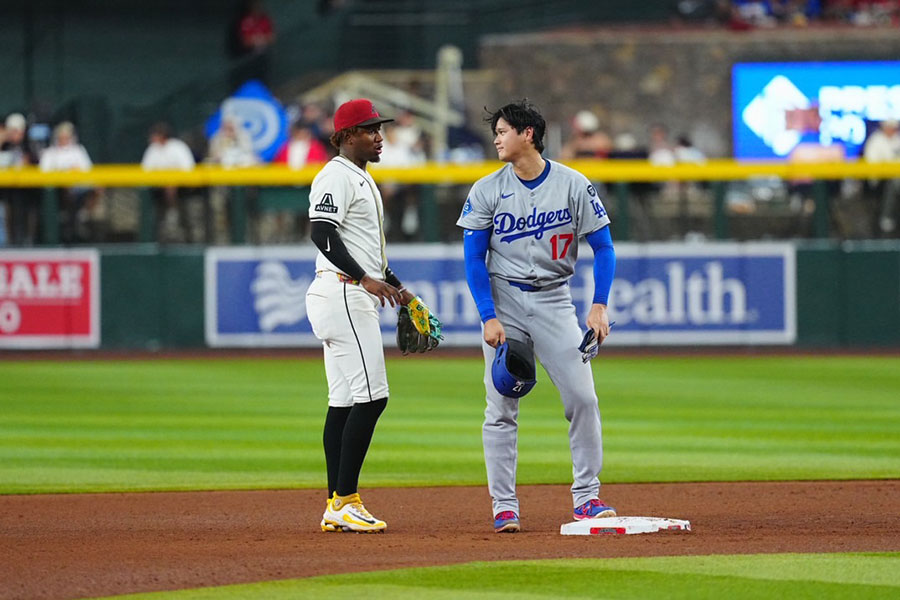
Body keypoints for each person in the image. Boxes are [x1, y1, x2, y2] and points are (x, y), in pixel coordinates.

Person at [456, 100, 617, 533]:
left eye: (503, 131)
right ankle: (504, 506)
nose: (496, 138)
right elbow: (474, 259)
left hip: (554, 300)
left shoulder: (572, 184)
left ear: (528, 134)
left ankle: (587, 498)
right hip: (505, 299)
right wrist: (489, 316)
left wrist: (599, 304)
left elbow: (604, 247)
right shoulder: (487, 189)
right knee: (501, 405)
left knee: (583, 398)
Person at [306, 98, 424, 533]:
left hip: (345, 290)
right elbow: (322, 233)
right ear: (345, 136)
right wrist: (365, 280)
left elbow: (366, 248)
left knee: (343, 402)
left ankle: (334, 503)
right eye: (369, 129)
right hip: (344, 293)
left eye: (380, 128)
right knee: (374, 397)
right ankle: (346, 499)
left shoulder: (359, 177)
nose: (379, 136)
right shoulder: (335, 175)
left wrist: (396, 285)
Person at [39, 122, 100, 243]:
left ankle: (84, 216)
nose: (64, 139)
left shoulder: (77, 150)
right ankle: (72, 222)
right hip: (56, 192)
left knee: (97, 186)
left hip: (79, 187)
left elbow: (88, 171)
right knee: (68, 188)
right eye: (62, 136)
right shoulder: (50, 153)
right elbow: (43, 173)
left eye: (67, 136)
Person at [140, 122, 198, 242]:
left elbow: (188, 169)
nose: (152, 138)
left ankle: (187, 238)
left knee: (186, 214)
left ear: (162, 136)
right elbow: (145, 171)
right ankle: (159, 238)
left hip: (183, 190)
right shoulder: (152, 150)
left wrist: (173, 181)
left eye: (155, 135)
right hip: (159, 190)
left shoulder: (177, 147)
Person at [862, 118, 900, 234]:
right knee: (893, 183)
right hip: (879, 180)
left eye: (893, 127)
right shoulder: (876, 140)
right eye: (888, 126)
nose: (891, 129)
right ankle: (886, 217)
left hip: (896, 178)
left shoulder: (898, 139)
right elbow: (871, 162)